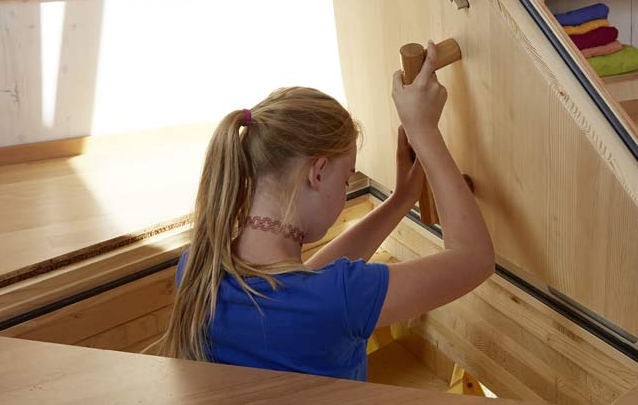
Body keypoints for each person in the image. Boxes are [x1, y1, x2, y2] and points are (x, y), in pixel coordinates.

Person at [153, 43, 494, 381]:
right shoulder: (336, 299)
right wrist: (424, 131)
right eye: (346, 179)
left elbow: (303, 287)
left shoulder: (199, 267)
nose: (344, 192)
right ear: (317, 173)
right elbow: (474, 259)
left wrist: (401, 200)